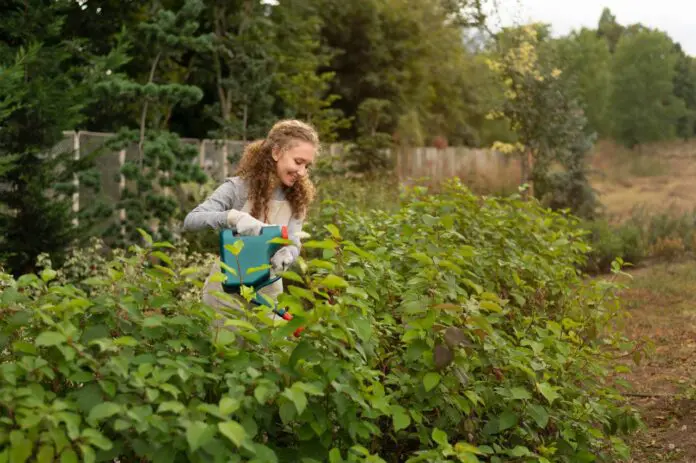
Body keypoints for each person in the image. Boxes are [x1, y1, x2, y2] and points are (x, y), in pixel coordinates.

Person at [183, 119, 318, 312]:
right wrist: (232, 218)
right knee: (225, 341)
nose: (302, 172)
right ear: (276, 152)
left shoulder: (297, 199)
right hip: (225, 292)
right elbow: (191, 220)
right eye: (298, 162)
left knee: (271, 342)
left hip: (267, 291)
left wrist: (288, 253)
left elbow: (294, 240)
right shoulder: (238, 189)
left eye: (307, 166)